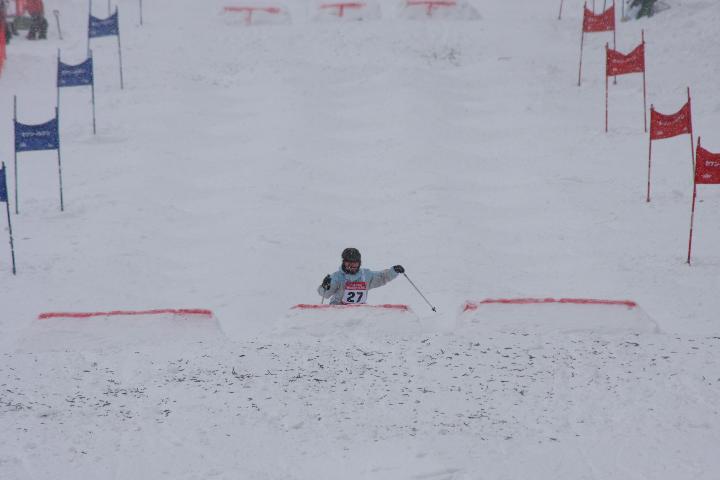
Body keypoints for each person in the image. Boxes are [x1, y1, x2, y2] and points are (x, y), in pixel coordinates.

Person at [318, 247, 404, 305]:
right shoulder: (337, 277)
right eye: (349, 262)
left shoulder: (366, 275)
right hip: (338, 310)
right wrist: (324, 287)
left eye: (355, 263)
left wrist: (394, 271)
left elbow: (382, 277)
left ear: (359, 263)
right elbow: (325, 295)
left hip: (358, 312)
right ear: (344, 262)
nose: (351, 266)